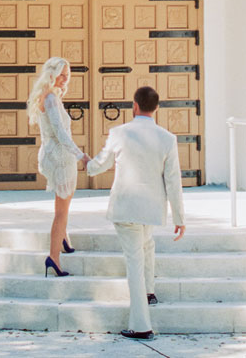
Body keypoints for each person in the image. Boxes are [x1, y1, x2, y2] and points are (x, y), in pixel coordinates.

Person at [85, 85, 185, 341]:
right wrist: (179, 218)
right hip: (150, 209)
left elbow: (99, 166)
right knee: (146, 245)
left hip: (126, 207)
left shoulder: (119, 133)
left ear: (135, 106)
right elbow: (173, 181)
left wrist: (87, 164)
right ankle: (149, 291)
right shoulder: (167, 138)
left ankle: (141, 325)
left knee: (134, 261)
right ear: (157, 108)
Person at [26, 56, 87, 277]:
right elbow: (61, 134)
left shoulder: (50, 96)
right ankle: (54, 257)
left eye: (67, 74)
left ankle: (64, 238)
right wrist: (81, 155)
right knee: (61, 211)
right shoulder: (50, 98)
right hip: (60, 158)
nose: (65, 78)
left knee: (63, 205)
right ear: (51, 74)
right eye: (61, 74)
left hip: (54, 155)